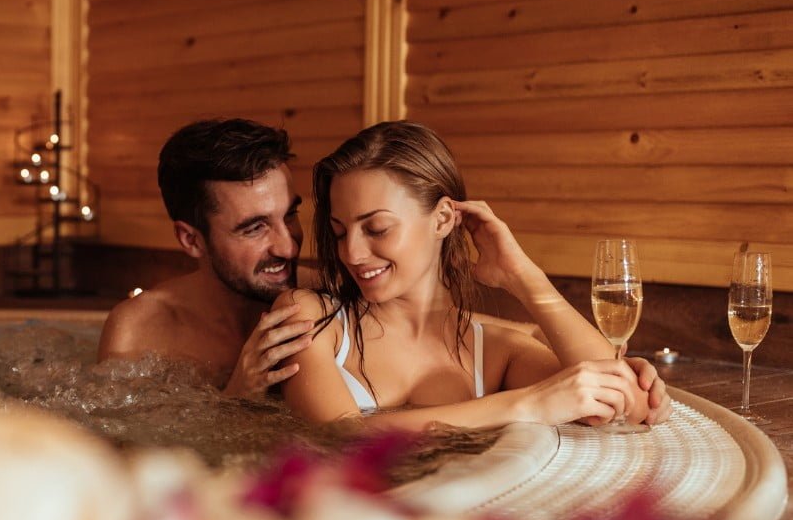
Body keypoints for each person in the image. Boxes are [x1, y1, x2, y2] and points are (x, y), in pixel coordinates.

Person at [277, 120, 671, 429]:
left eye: (376, 229)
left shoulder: (495, 350)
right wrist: (529, 403)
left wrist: (521, 275)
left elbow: (629, 405)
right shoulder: (312, 319)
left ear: (443, 219)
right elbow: (336, 438)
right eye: (340, 232)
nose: (351, 252)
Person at [97, 118, 317, 397]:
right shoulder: (139, 333)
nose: (288, 248)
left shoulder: (328, 295)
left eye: (290, 215)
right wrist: (236, 397)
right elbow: (123, 438)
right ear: (192, 240)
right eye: (255, 228)